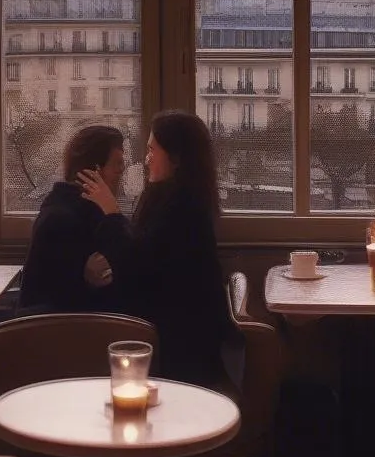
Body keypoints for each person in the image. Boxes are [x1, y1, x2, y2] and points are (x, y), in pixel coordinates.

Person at [78, 111, 238, 390]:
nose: (147, 158)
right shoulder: (168, 197)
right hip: (172, 328)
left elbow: (138, 269)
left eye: (152, 150)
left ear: (176, 158)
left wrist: (111, 211)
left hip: (181, 342)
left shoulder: (184, 209)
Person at [18, 124, 127, 313]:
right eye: (117, 163)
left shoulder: (75, 210)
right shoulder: (63, 220)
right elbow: (59, 301)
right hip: (61, 333)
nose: (122, 170)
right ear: (95, 172)